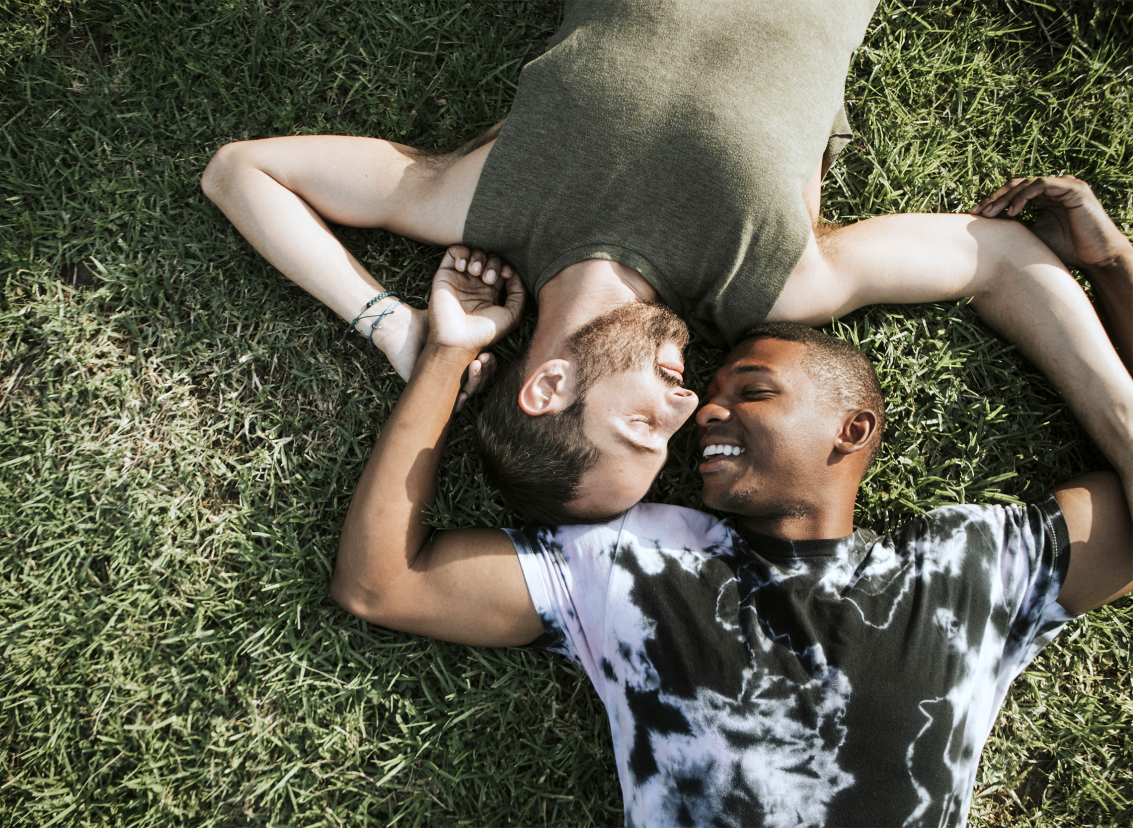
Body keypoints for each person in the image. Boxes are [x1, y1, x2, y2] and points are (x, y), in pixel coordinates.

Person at [330, 177, 1133, 827]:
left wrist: (1115, 271)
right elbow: (381, 583)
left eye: (752, 392)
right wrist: (449, 355)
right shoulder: (629, 561)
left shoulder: (971, 573)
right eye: (706, 394)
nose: (704, 413)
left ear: (853, 430)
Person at [201, 0, 1133, 526]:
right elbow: (1000, 257)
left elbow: (241, 172)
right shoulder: (772, 283)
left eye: (645, 432)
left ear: (547, 383)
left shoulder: (480, 202)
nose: (689, 408)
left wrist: (399, 330)